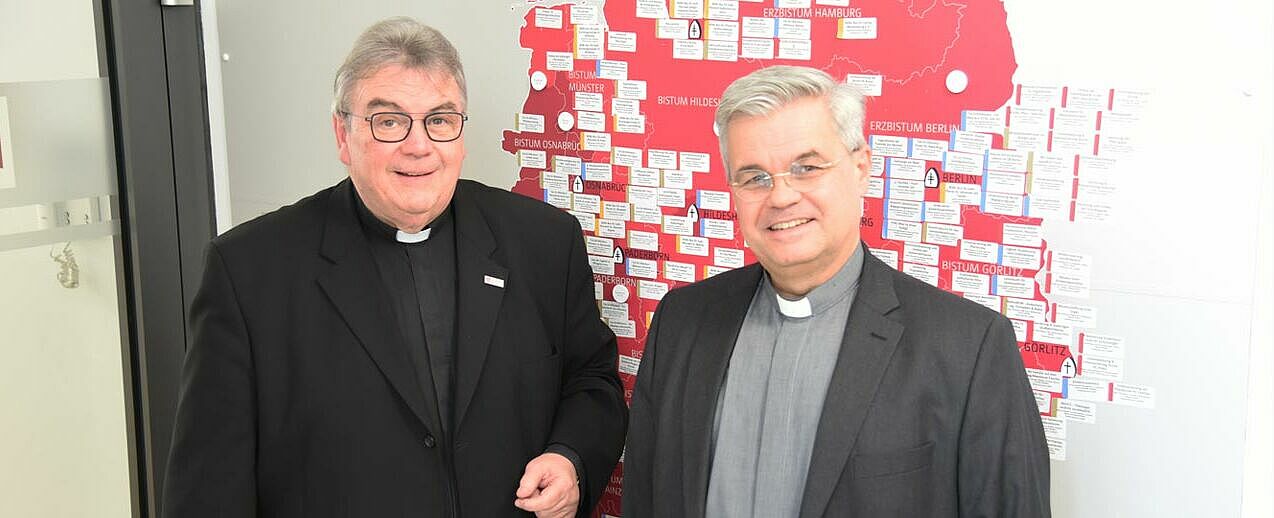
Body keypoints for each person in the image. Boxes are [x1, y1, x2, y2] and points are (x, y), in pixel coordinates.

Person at [163, 17, 626, 518]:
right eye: (389, 121)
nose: (418, 146)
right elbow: (208, 487)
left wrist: (571, 458)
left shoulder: (543, 243)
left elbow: (592, 382)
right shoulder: (250, 272)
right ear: (343, 136)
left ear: (461, 134)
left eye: (441, 120)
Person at [624, 65, 1050, 517]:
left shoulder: (969, 347)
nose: (781, 197)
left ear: (860, 168)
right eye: (754, 177)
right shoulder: (682, 321)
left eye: (806, 168)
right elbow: (646, 498)